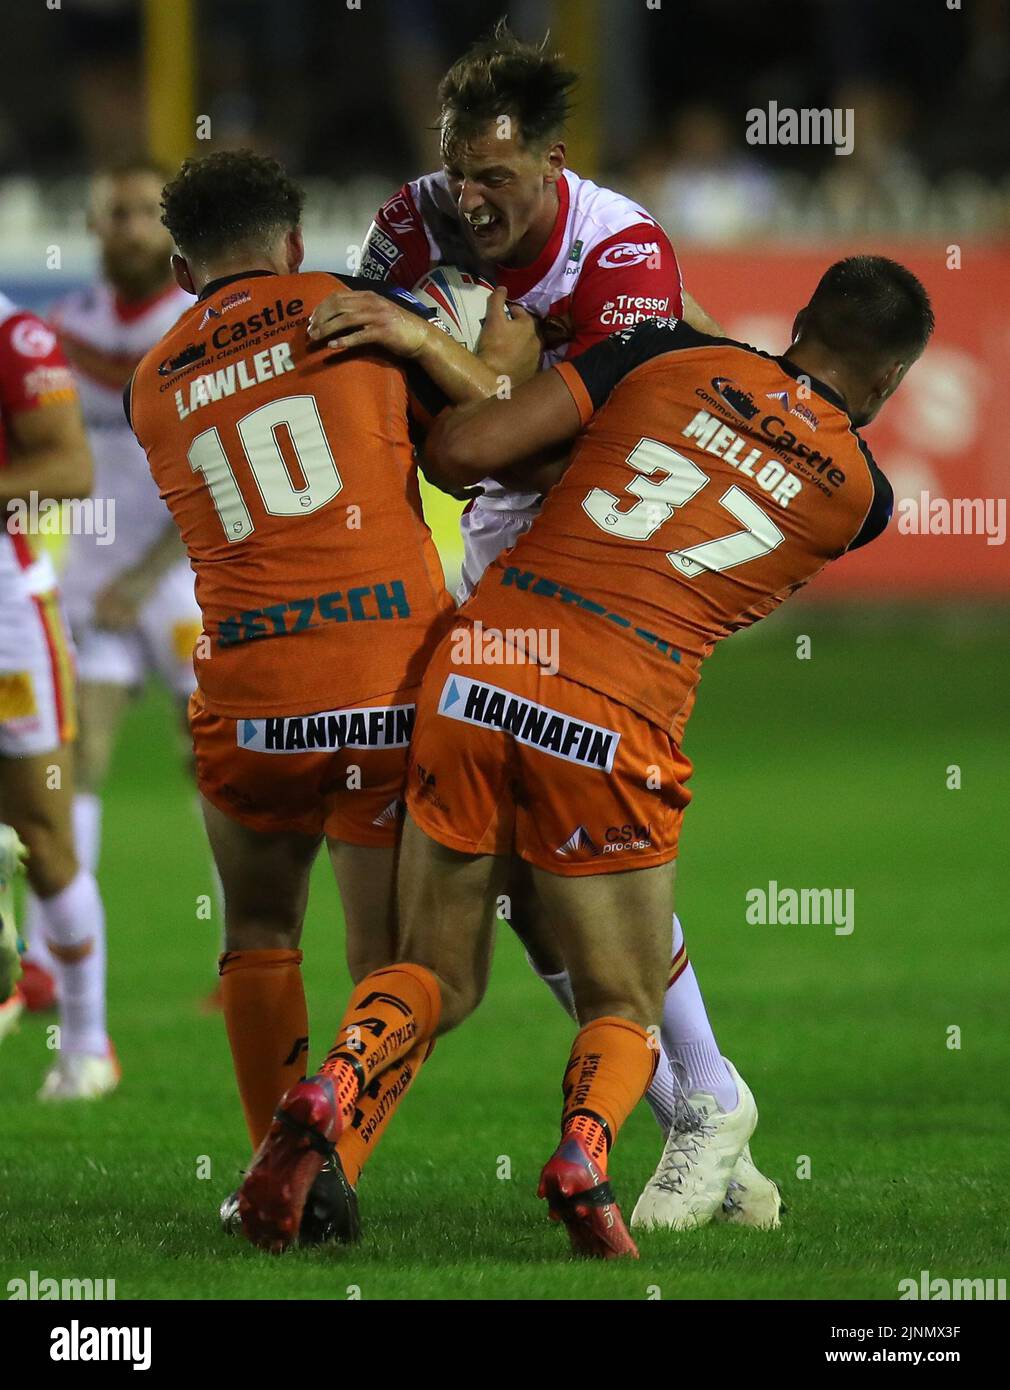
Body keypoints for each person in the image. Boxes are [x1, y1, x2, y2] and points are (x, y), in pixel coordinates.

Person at [238, 255, 933, 1257]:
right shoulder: (863, 500)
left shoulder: (658, 357)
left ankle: (333, 1082)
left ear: (797, 318)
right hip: (614, 702)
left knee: (435, 969)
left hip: (478, 662)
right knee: (621, 995)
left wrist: (444, 344)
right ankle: (586, 1153)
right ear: (890, 383)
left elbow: (479, 450)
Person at [309, 18, 776, 1228]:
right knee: (516, 875)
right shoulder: (410, 216)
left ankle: (704, 1102)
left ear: (553, 163)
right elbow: (370, 364)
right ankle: (697, 1112)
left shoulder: (619, 249)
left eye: (496, 180)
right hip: (493, 543)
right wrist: (445, 386)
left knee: (559, 843)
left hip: (595, 554)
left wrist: (436, 351)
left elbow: (583, 428)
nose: (468, 200)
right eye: (458, 171)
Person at [127, 150, 540, 1242]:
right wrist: (431, 337)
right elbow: (490, 429)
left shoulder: (152, 376)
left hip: (248, 690)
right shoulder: (356, 313)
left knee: (258, 928)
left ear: (179, 268)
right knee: (402, 970)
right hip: (383, 682)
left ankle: (276, 1178)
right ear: (296, 246)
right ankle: (325, 1150)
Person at [19, 162, 208, 1017]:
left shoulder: (197, 325)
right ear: (94, 227)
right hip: (93, 578)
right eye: (115, 212)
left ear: (169, 228)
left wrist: (146, 574)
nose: (129, 226)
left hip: (185, 576)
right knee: (76, 764)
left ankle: (240, 952)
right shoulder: (63, 326)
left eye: (144, 212)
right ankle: (55, 967)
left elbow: (210, 472)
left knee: (211, 763)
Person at [0, 291, 117, 1099]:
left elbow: (69, 468)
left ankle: (84, 1044)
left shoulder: (15, 333)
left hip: (4, 615)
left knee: (42, 833)